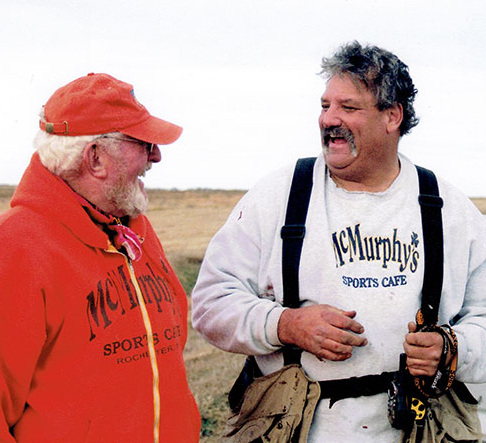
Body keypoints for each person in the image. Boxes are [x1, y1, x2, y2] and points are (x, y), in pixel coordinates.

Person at [191, 41, 486, 440]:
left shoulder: (448, 209)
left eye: (348, 108)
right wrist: (285, 324)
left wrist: (453, 350)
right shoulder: (280, 196)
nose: (329, 119)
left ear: (392, 117)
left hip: (419, 427)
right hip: (294, 428)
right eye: (325, 105)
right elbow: (211, 303)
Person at [0, 73, 199, 442]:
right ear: (95, 158)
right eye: (142, 142)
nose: (155, 154)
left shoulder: (135, 231)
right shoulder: (9, 250)